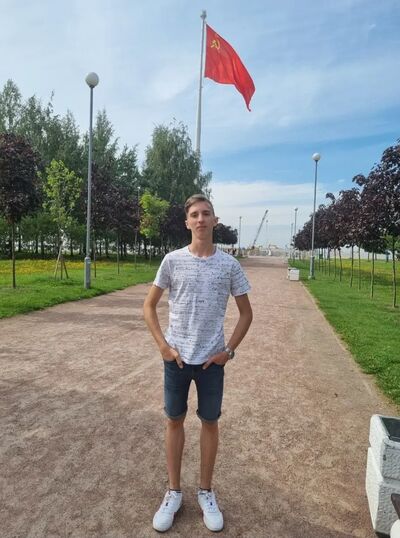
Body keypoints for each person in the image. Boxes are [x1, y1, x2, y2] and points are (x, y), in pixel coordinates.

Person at [143, 194, 253, 532]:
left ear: (215, 220)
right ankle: (174, 492)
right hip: (176, 360)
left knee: (209, 422)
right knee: (174, 421)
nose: (200, 219)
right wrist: (163, 347)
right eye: (194, 214)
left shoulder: (229, 265)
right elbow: (148, 306)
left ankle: (206, 491)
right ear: (187, 222)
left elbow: (246, 314)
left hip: (211, 363)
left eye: (206, 213)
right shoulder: (172, 261)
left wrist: (228, 351)